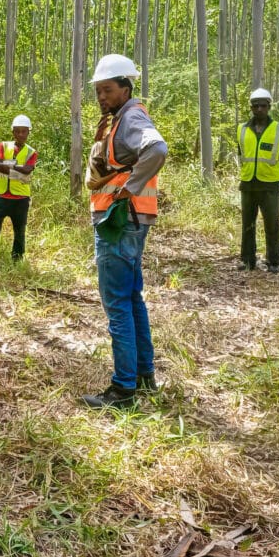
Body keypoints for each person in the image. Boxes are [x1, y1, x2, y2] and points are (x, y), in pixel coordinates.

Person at [82, 54, 167, 410]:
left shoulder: (131, 116)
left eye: (108, 89)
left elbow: (157, 148)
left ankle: (123, 389)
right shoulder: (119, 119)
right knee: (132, 299)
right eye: (98, 91)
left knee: (117, 303)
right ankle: (144, 377)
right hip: (131, 221)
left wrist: (129, 187)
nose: (102, 96)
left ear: (125, 88)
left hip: (120, 222)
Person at [237, 88, 279, 274]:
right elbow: (241, 153)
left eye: (263, 106)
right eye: (255, 106)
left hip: (270, 185)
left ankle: (273, 261)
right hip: (248, 183)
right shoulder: (241, 129)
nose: (259, 109)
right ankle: (247, 260)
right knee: (248, 224)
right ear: (251, 107)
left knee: (272, 223)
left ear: (269, 106)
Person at [0, 114, 38, 262]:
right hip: (1, 197)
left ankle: (17, 261)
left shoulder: (31, 152)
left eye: (24, 131)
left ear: (28, 132)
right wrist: (18, 169)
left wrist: (6, 166)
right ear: (13, 132)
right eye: (17, 131)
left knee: (19, 233)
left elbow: (28, 170)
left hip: (21, 200)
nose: (21, 134)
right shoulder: (3, 145)